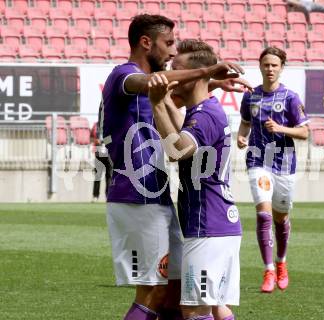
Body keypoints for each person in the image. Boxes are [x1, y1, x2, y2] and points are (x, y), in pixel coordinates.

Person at [102, 14, 249, 320]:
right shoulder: (125, 76)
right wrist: (207, 73)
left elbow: (172, 107)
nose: (171, 52)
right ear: (146, 42)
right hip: (136, 197)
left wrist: (209, 81)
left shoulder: (190, 105)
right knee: (159, 292)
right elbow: (152, 87)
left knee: (178, 293)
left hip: (175, 207)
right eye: (168, 43)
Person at [148, 40, 242, 320]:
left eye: (178, 69)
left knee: (193, 309)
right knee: (216, 306)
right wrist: (163, 100)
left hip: (208, 224)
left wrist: (155, 105)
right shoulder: (203, 111)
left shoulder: (206, 116)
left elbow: (177, 150)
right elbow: (180, 128)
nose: (173, 75)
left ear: (198, 75)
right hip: (219, 223)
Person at [237, 47, 309, 293]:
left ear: (281, 68)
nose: (270, 69)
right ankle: (268, 270)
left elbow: (305, 132)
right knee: (264, 215)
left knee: (281, 219)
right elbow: (245, 124)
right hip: (258, 162)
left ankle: (281, 263)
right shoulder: (250, 96)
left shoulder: (290, 97)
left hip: (285, 165)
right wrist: (241, 137)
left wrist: (281, 128)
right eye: (266, 65)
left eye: (274, 65)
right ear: (260, 66)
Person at [91, 100, 112, 202]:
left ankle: (108, 195)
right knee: (98, 173)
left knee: (109, 173)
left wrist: (105, 141)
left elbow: (113, 137)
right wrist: (99, 140)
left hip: (109, 149)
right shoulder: (99, 125)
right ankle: (95, 195)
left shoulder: (112, 122)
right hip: (100, 148)